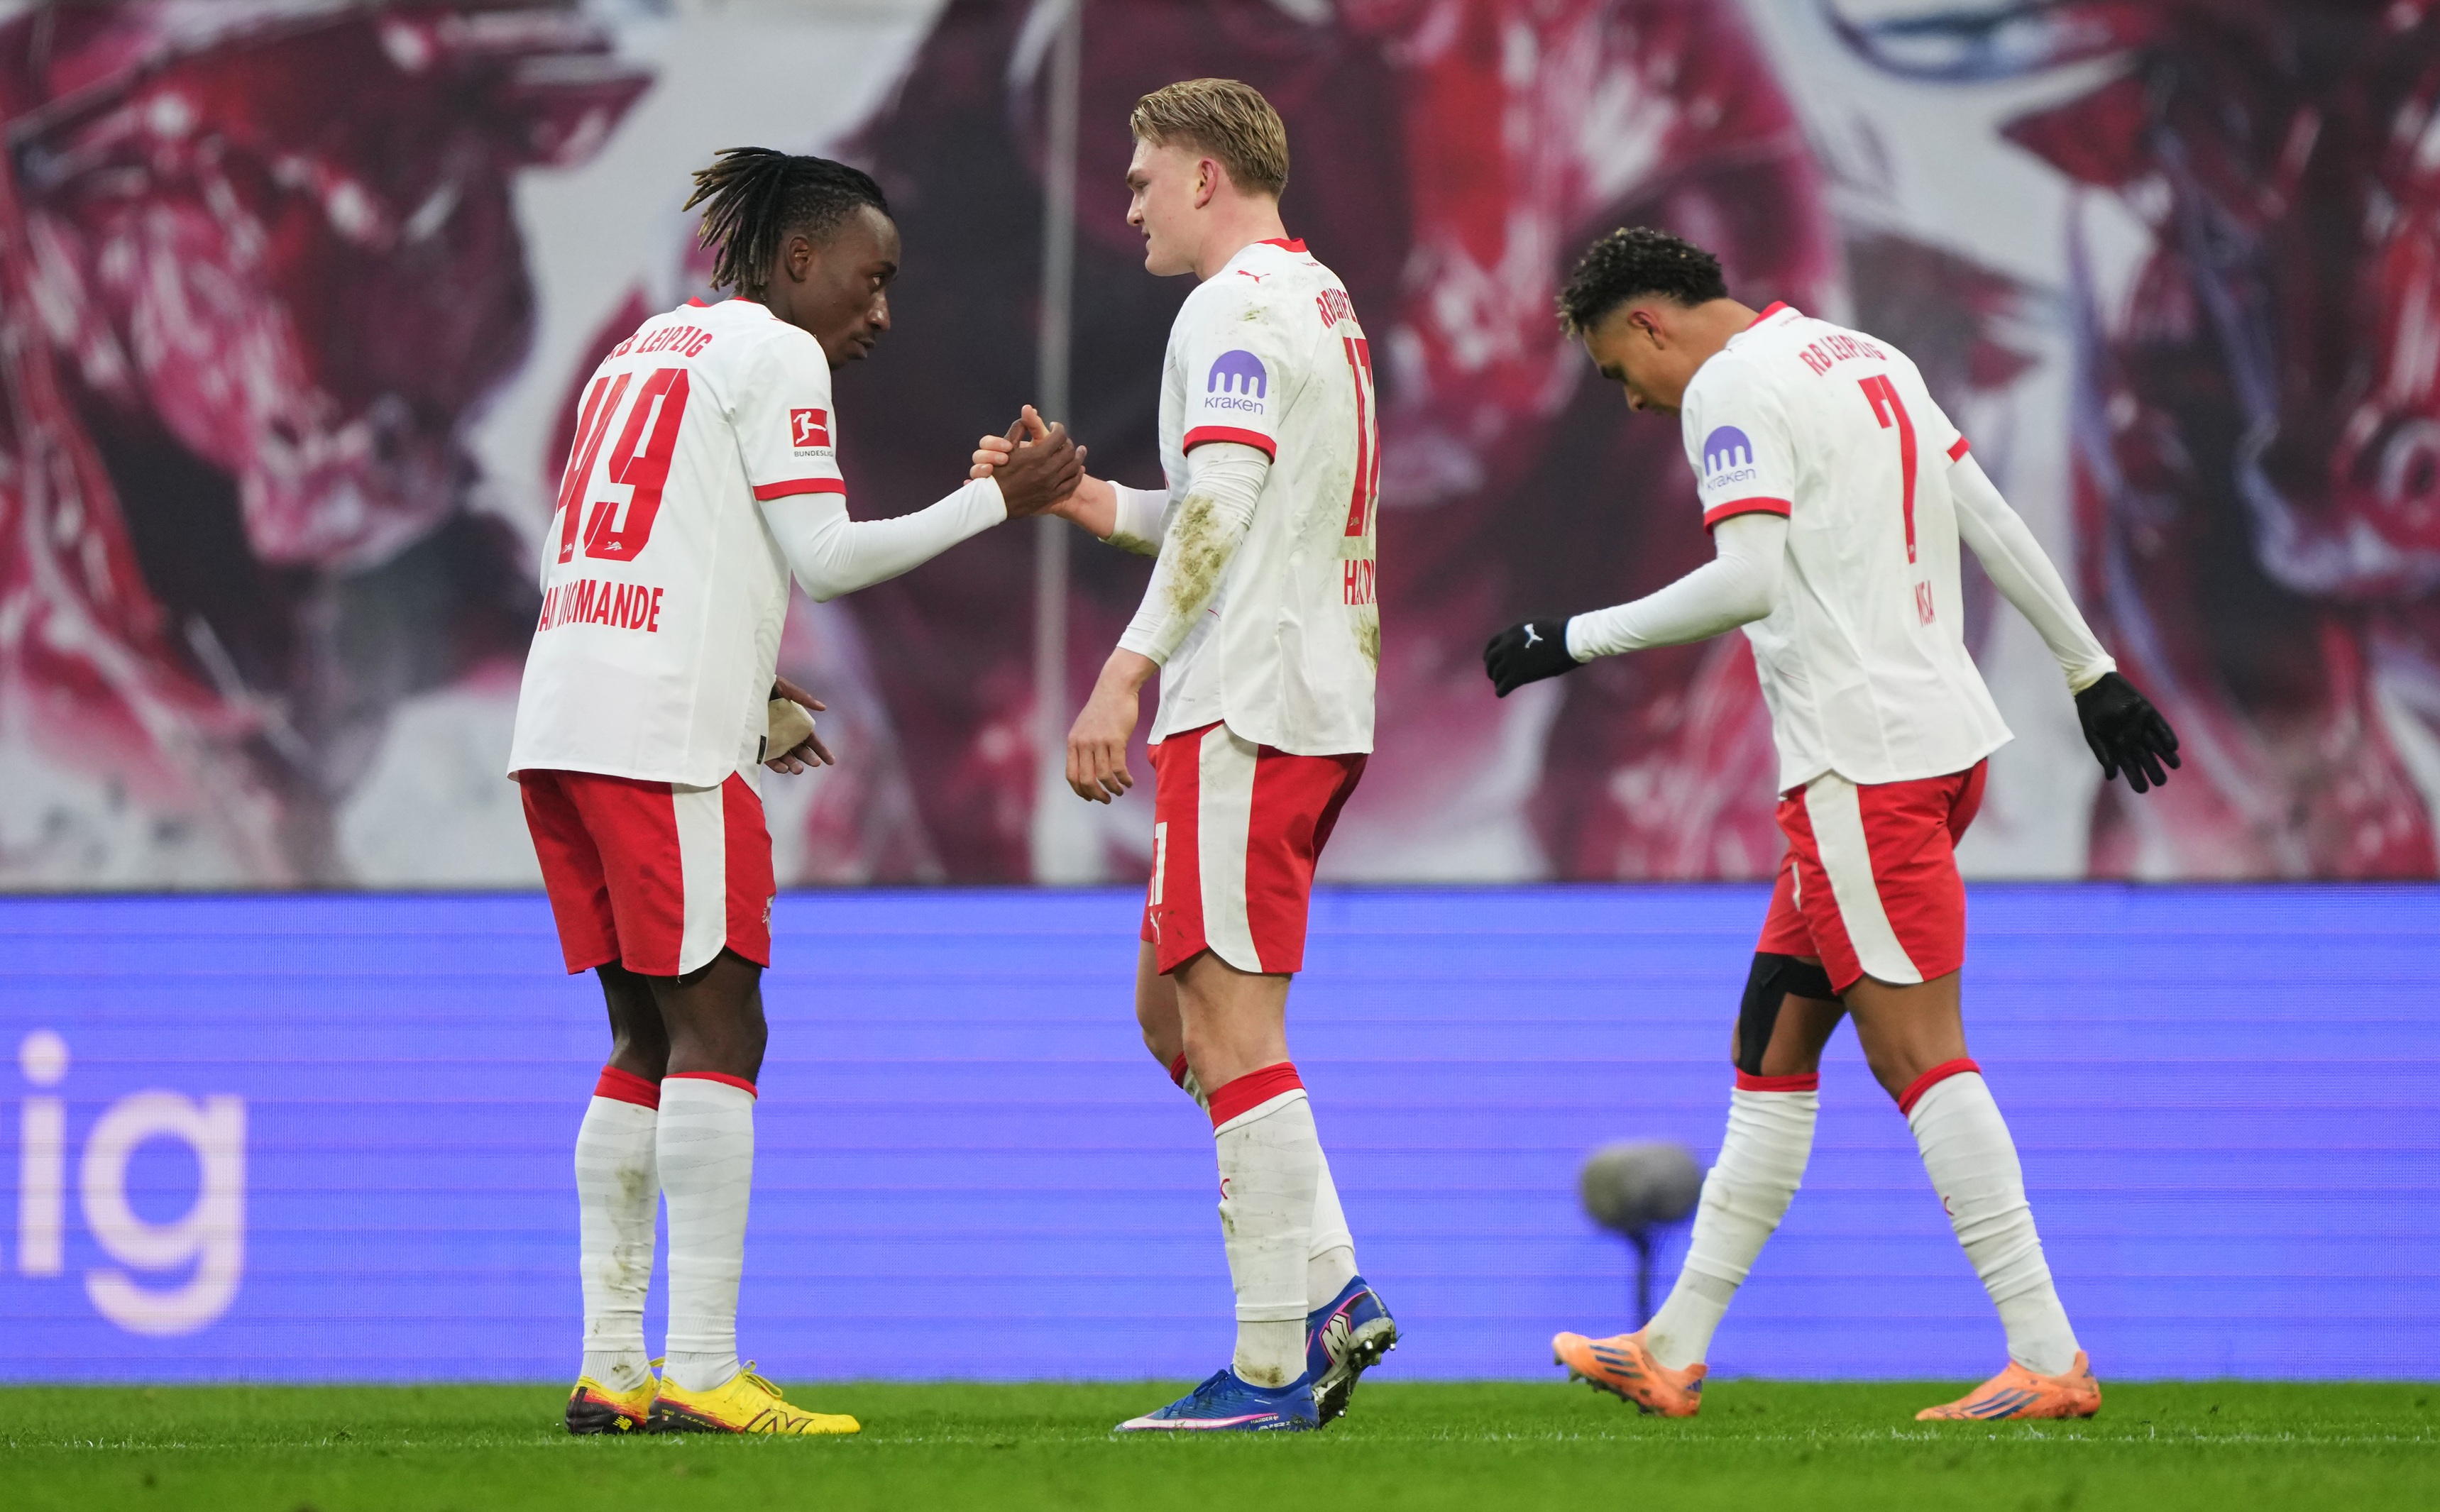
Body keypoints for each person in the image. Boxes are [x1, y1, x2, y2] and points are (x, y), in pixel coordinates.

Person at [1483, 227, 2180, 1421]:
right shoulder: (1861, 354)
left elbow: (1749, 577)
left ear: (1650, 321)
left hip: (1864, 770)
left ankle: (2048, 1358)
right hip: (1930, 747)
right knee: (1771, 1049)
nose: (1634, 402)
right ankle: (1671, 1345)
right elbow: (1984, 511)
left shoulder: (1728, 391)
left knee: (1919, 1056)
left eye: (1615, 370)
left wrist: (1569, 637)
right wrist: (2087, 670)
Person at [508, 148, 1081, 1436]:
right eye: (871, 280)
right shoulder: (778, 354)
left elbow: (648, 538)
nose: (880, 310)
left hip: (564, 719)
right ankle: (703, 1371)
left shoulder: (638, 350)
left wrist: (748, 689)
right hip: (659, 739)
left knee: (642, 1042)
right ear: (799, 260)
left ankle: (614, 1369)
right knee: (725, 1036)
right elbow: (824, 558)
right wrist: (998, 500)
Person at [974, 79, 1394, 1433]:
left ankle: (1271, 1368)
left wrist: (1123, 671)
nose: (1131, 201)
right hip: (1305, 696)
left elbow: (1219, 511)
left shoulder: (1230, 307)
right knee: (1174, 1017)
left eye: (1146, 176)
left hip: (1248, 703)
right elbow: (1230, 508)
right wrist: (1083, 498)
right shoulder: (1313, 298)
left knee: (1225, 1020)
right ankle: (1328, 1289)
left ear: (1207, 175)